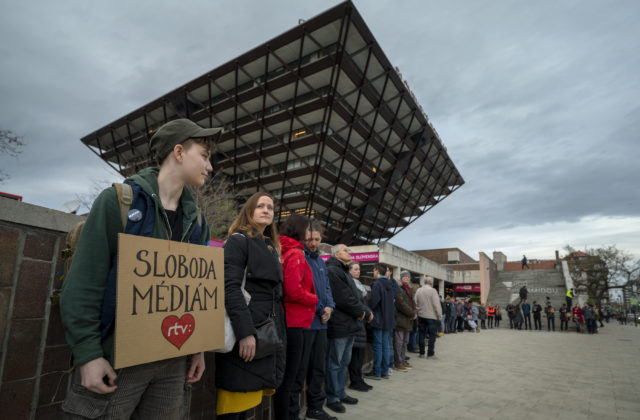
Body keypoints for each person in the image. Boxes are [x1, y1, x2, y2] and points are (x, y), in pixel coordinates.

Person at [60, 119, 221, 418]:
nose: (210, 167)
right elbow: (83, 284)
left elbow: (193, 291)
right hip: (117, 360)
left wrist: (197, 347)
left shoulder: (198, 222)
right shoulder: (118, 202)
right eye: (204, 155)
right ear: (179, 152)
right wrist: (88, 355)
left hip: (173, 362)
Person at [216, 192, 287, 419]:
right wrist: (245, 333)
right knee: (234, 406)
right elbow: (230, 289)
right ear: (249, 211)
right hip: (246, 335)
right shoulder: (238, 241)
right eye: (260, 206)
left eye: (270, 207)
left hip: (265, 334)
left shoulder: (270, 246)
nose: (266, 210)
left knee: (248, 406)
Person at [274, 214, 318, 420]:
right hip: (295, 322)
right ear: (301, 231)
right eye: (308, 230)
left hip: (288, 320)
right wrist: (313, 298)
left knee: (286, 378)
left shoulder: (284, 249)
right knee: (290, 379)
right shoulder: (297, 254)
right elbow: (292, 289)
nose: (310, 235)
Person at [297, 221, 336, 420]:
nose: (313, 243)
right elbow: (302, 290)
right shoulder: (300, 258)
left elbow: (327, 289)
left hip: (322, 323)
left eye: (317, 239)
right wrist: (321, 308)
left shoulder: (321, 262)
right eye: (309, 239)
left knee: (319, 368)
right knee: (302, 369)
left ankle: (315, 407)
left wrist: (329, 307)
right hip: (306, 323)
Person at [324, 244, 370, 414]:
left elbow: (356, 296)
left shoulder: (343, 271)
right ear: (336, 253)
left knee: (343, 362)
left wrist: (361, 311)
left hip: (349, 324)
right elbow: (343, 298)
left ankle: (341, 393)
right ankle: (332, 397)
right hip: (339, 324)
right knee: (334, 363)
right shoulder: (333, 270)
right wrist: (362, 312)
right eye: (346, 250)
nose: (350, 252)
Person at [347, 262, 374, 393]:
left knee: (359, 356)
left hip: (361, 325)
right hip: (355, 324)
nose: (358, 271)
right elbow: (356, 303)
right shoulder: (351, 284)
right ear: (349, 270)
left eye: (359, 269)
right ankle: (355, 381)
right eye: (355, 269)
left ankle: (359, 379)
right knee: (355, 356)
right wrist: (367, 312)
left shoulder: (359, 285)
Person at [366, 263, 395, 379]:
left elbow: (373, 302)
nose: (373, 273)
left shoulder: (377, 284)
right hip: (388, 319)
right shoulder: (389, 284)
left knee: (378, 346)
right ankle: (384, 371)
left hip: (378, 319)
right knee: (386, 345)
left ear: (377, 271)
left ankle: (377, 372)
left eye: (373, 270)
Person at [394, 271, 417, 371]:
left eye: (408, 277)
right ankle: (398, 363)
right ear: (401, 278)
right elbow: (401, 304)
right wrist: (412, 313)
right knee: (399, 342)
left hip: (408, 319)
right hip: (401, 319)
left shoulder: (409, 289)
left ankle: (403, 361)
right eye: (405, 277)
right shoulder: (399, 288)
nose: (407, 278)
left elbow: (413, 302)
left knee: (405, 342)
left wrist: (414, 312)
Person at [414, 276, 442, 358]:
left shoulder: (419, 290)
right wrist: (439, 315)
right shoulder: (433, 291)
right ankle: (430, 354)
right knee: (432, 335)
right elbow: (436, 304)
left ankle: (422, 353)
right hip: (431, 316)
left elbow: (415, 302)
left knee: (421, 334)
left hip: (421, 315)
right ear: (431, 283)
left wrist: (417, 310)